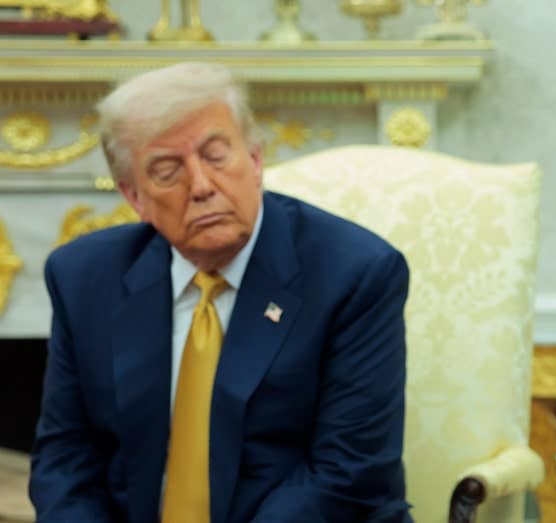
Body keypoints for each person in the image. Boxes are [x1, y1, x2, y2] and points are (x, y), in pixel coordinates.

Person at [29, 62, 412, 523]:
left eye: (215, 156)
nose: (202, 186)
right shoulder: (85, 277)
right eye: (167, 171)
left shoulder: (353, 273)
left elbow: (347, 475)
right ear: (134, 198)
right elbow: (66, 461)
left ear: (255, 160)